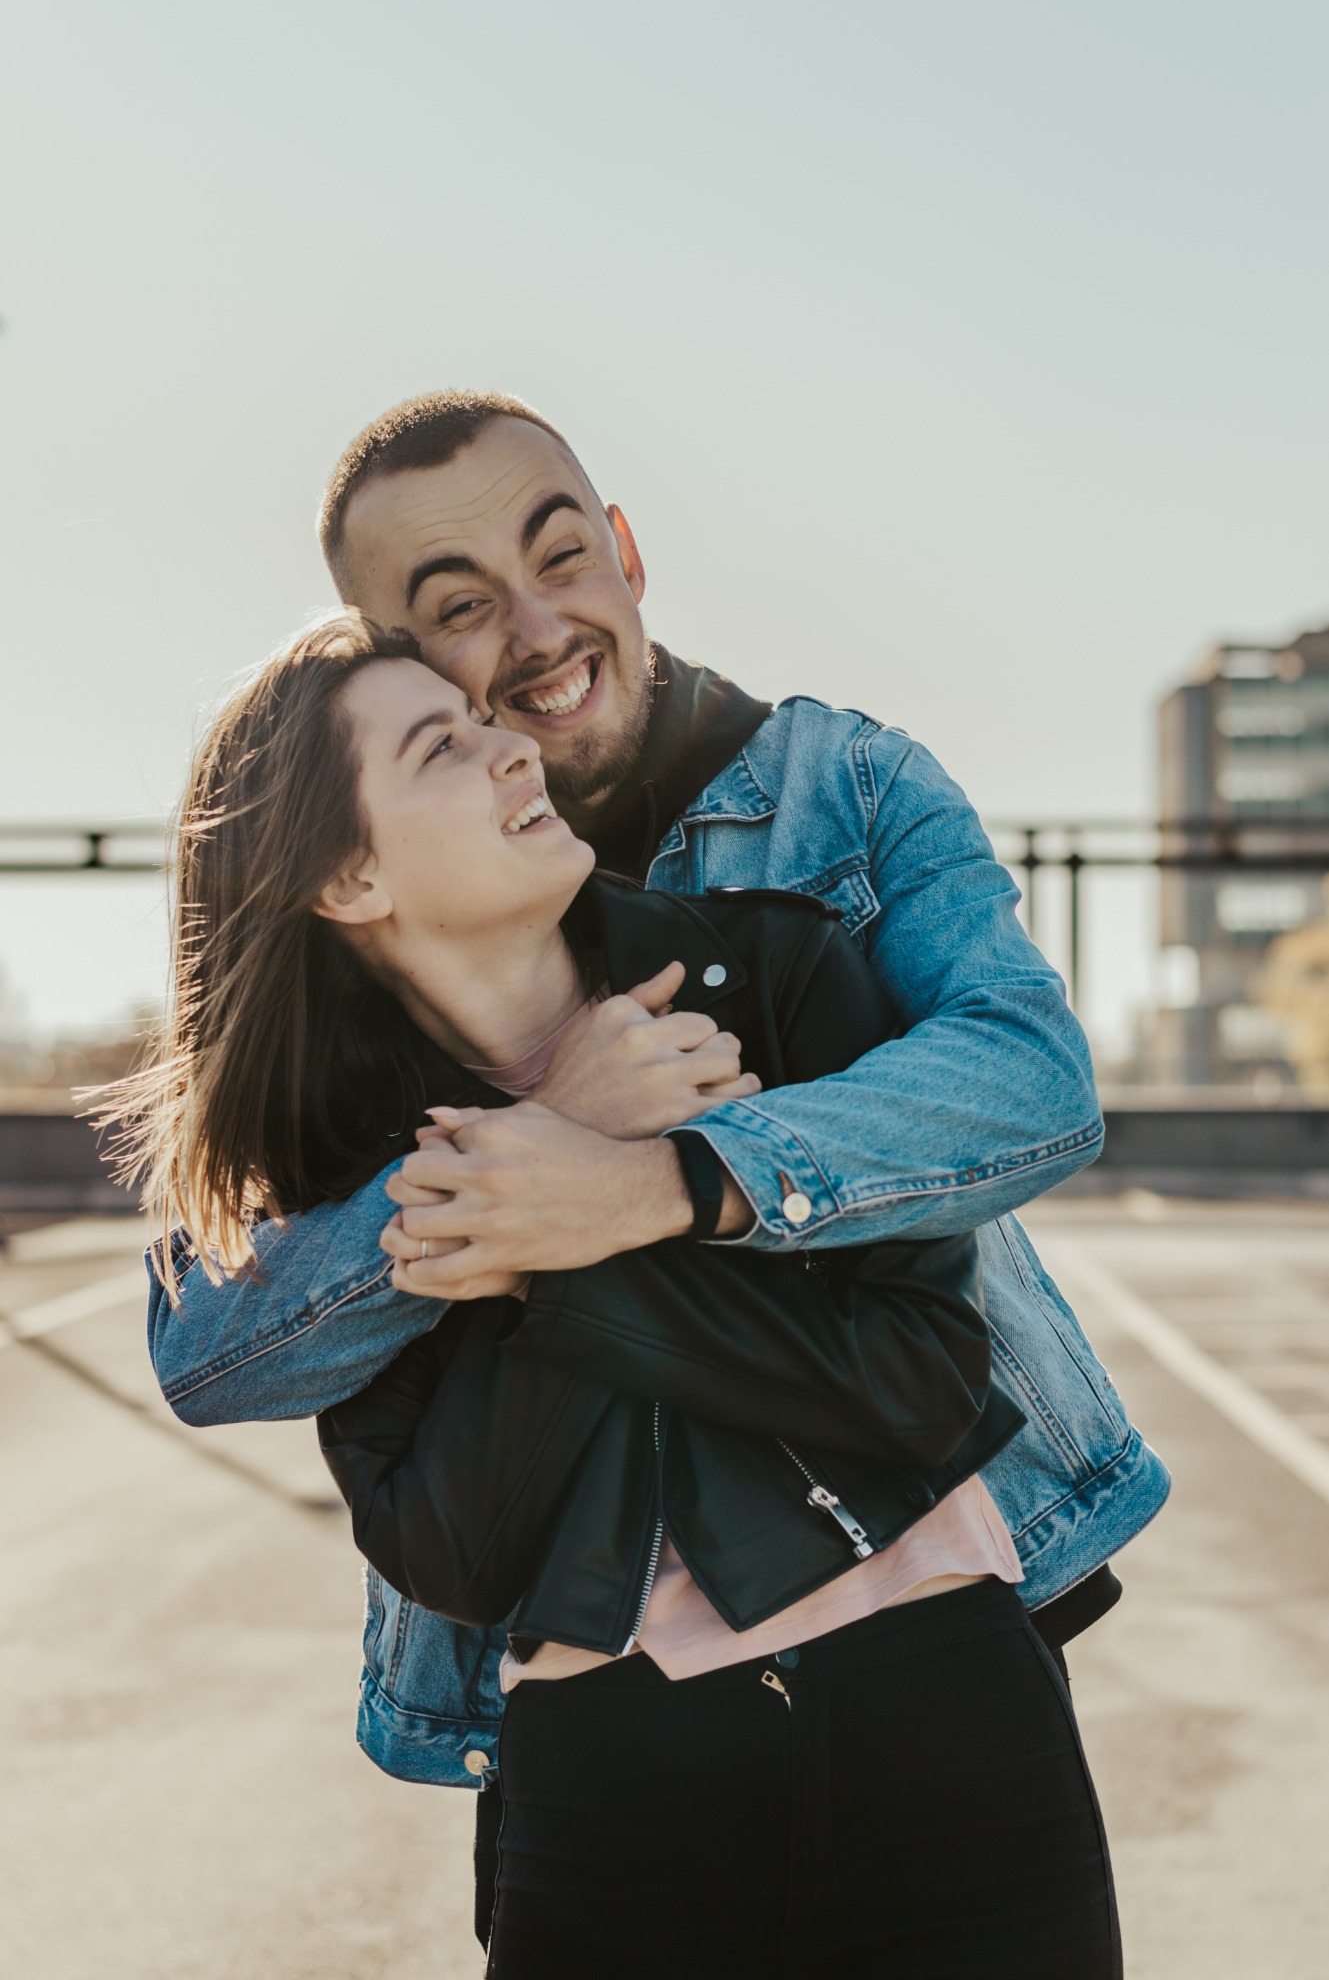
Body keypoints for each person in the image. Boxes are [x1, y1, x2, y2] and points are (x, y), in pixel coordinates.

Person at [147, 390, 1167, 1783]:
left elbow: (1029, 1084)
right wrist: (539, 1141)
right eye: (459, 606)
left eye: (561, 556)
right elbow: (210, 1336)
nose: (539, 631)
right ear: (396, 657)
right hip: (580, 1713)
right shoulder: (359, 965)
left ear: (624, 549)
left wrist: (663, 1179)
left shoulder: (844, 789)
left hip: (939, 1606)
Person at [126, 614, 1121, 1976]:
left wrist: (592, 1209)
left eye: (488, 719)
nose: (509, 750)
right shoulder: (352, 1177)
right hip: (610, 1790)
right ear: (350, 873)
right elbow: (459, 1552)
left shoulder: (766, 974)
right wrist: (540, 1172)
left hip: (942, 1715)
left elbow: (917, 1385)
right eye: (442, 744)